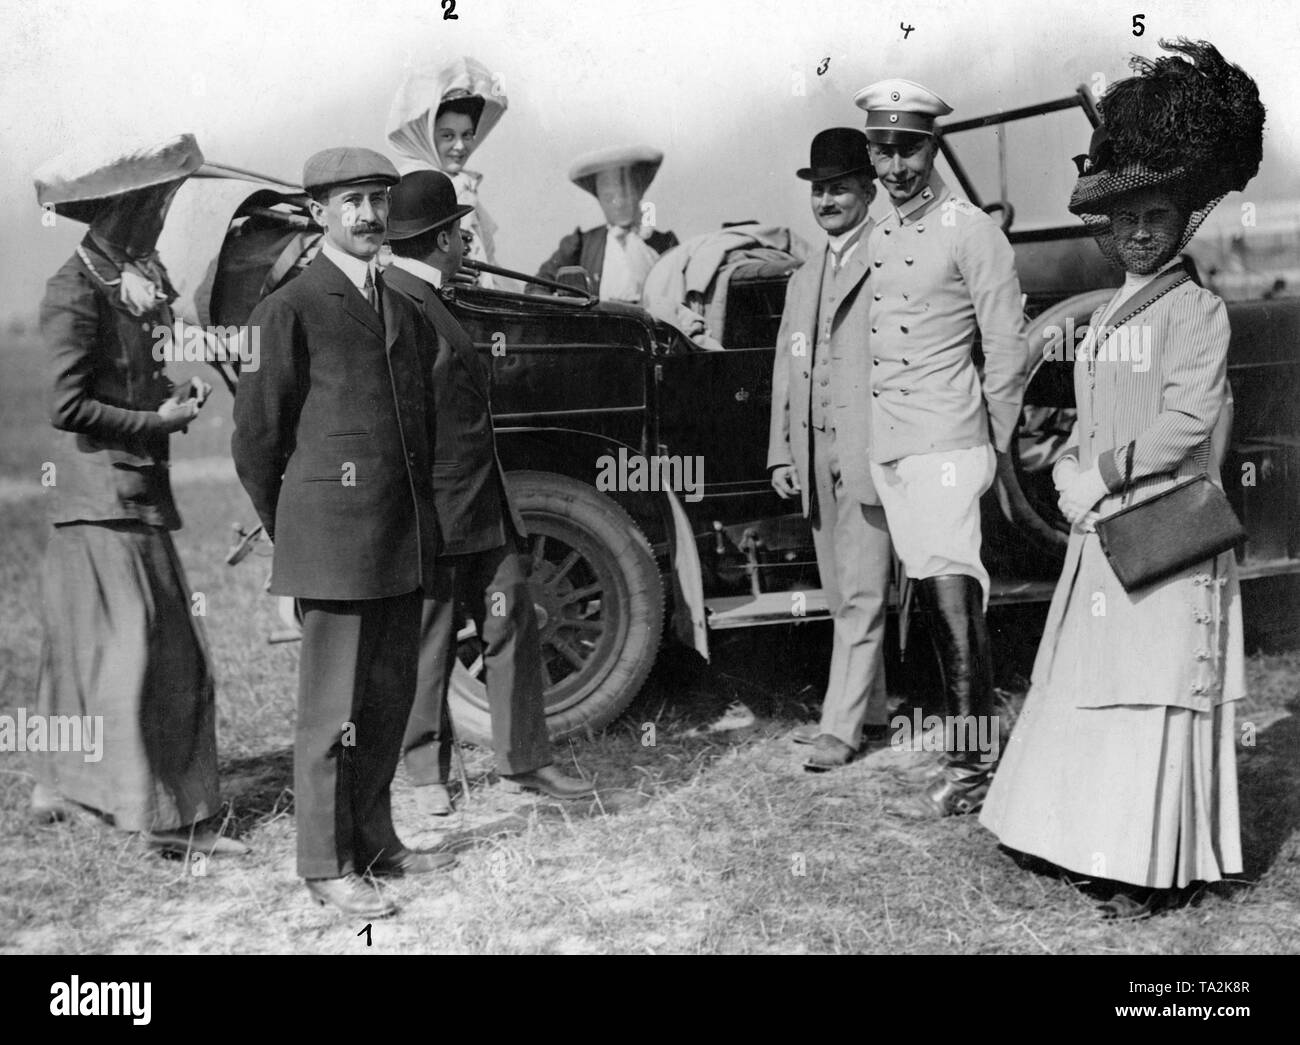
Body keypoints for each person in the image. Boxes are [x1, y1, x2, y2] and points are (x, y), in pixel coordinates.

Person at [980, 39, 1265, 918]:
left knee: (1154, 692)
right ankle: (1091, 840)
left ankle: (1152, 865)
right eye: (1124, 219)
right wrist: (1065, 466)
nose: (1140, 231)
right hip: (1104, 521)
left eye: (1159, 215)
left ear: (1184, 221)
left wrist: (1099, 474)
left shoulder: (1198, 309)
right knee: (1100, 685)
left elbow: (1186, 419)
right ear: (1104, 230)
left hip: (1160, 522)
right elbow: (1088, 409)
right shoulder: (1106, 312)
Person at [232, 147, 453, 919]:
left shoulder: (399, 301)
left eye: (377, 200)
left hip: (399, 538)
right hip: (332, 545)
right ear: (319, 211)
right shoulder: (289, 308)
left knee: (388, 699)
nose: (367, 214)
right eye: (351, 200)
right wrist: (293, 526)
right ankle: (325, 864)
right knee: (332, 716)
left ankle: (377, 839)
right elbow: (258, 441)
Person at [30, 133, 247, 858]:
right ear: (124, 208)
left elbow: (125, 372)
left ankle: (64, 786)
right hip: (104, 496)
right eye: (156, 205)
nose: (162, 218)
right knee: (161, 654)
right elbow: (67, 405)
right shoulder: (72, 291)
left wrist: (166, 391)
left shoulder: (125, 274)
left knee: (96, 651)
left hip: (122, 492)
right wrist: (155, 420)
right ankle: (162, 818)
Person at [383, 170, 595, 809]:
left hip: (482, 505)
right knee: (431, 643)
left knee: (511, 628)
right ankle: (425, 777)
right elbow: (396, 421)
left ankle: (524, 762)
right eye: (459, 231)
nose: (466, 241)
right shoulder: (396, 300)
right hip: (437, 513)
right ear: (444, 237)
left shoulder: (436, 294)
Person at [852, 79, 1029, 817]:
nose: (896, 166)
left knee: (955, 593)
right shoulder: (877, 230)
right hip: (894, 445)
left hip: (948, 443)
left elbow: (1009, 347)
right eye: (883, 148)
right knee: (934, 589)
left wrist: (988, 442)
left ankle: (971, 771)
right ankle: (969, 752)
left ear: (932, 147)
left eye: (910, 148)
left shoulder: (970, 230)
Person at [766, 128, 893, 772]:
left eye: (839, 188)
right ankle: (871, 710)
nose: (827, 201)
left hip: (871, 454)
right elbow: (787, 368)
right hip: (815, 458)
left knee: (866, 591)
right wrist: (782, 452)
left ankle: (839, 729)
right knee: (842, 591)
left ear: (868, 191)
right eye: (819, 190)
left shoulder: (892, 257)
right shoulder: (806, 273)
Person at [387, 56, 508, 288]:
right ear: (428, 136)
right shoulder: (412, 185)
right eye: (448, 136)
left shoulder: (464, 184)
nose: (460, 147)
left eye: (467, 135)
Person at [536, 145, 678, 303]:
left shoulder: (664, 244)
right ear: (600, 201)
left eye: (625, 194)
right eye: (609, 197)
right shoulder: (581, 244)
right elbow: (537, 287)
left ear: (638, 193)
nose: (618, 204)